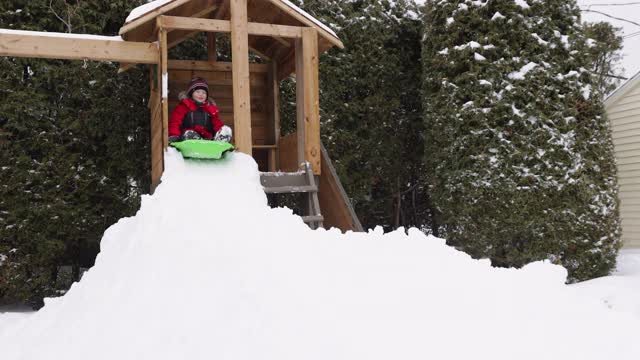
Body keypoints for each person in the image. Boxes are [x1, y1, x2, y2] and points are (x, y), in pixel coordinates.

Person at [168, 77, 232, 143]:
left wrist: (221, 131)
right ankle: (195, 142)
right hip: (188, 137)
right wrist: (174, 135)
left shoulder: (210, 109)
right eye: (198, 92)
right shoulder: (184, 106)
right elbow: (175, 122)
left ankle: (220, 142)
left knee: (225, 129)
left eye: (204, 93)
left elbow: (217, 123)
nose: (201, 94)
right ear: (191, 93)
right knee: (190, 134)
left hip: (207, 139)